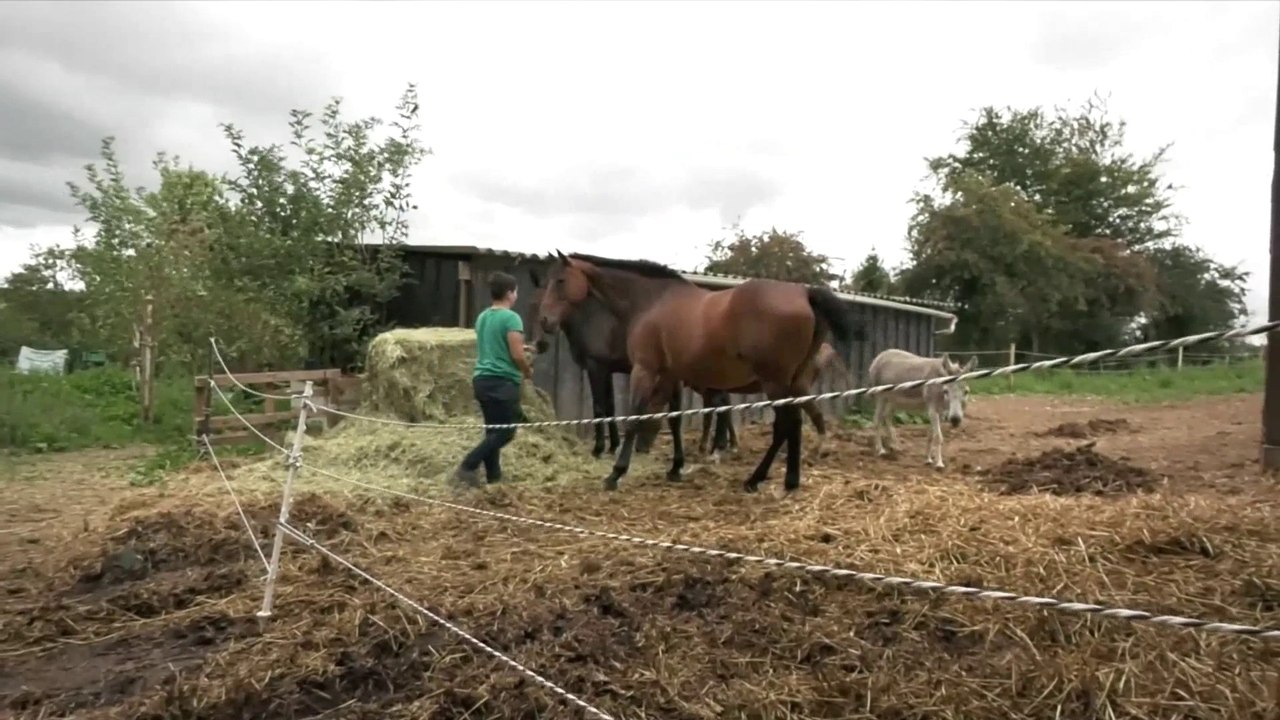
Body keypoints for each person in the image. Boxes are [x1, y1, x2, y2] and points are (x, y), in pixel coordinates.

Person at [452, 271, 534, 488]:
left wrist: (521, 347)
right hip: (503, 381)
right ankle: (468, 465)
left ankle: (494, 480)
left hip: (482, 379)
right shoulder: (511, 318)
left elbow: (495, 344)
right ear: (509, 293)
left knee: (493, 432)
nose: (516, 295)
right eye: (515, 291)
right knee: (506, 432)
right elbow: (516, 355)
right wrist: (526, 370)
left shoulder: (483, 317)